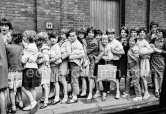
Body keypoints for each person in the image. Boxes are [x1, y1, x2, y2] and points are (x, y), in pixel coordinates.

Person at [21, 30, 40, 114]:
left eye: (24, 37)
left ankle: (32, 102)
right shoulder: (33, 45)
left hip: (29, 69)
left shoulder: (29, 47)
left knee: (23, 86)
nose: (23, 38)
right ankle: (33, 104)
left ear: (28, 38)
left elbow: (23, 60)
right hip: (34, 68)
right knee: (32, 87)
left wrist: (22, 55)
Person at [6, 33, 24, 113]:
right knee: (19, 87)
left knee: (11, 89)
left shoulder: (8, 47)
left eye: (9, 36)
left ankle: (13, 106)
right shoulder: (21, 47)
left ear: (13, 38)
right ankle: (21, 103)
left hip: (11, 71)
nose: (7, 37)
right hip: (20, 70)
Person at [66, 29, 84, 104]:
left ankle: (75, 96)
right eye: (71, 36)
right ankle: (74, 93)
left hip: (76, 64)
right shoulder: (72, 42)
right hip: (72, 64)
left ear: (76, 36)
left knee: (74, 80)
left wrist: (71, 56)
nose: (72, 37)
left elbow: (82, 54)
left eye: (73, 36)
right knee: (73, 79)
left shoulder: (78, 44)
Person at [122, 37, 142, 101]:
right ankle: (127, 93)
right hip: (129, 66)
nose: (131, 42)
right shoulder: (130, 48)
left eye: (133, 41)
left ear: (135, 42)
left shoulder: (135, 48)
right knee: (128, 80)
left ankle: (139, 96)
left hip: (135, 67)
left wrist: (130, 55)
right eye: (130, 41)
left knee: (136, 81)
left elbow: (136, 59)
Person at [106, 28, 125, 99]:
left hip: (116, 61)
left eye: (111, 34)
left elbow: (123, 52)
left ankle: (118, 92)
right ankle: (107, 89)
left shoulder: (117, 42)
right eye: (109, 34)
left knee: (117, 77)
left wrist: (115, 52)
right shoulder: (106, 41)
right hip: (108, 61)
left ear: (114, 35)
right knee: (108, 76)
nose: (110, 35)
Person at [136, 28, 153, 100]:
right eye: (140, 32)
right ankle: (142, 90)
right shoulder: (137, 41)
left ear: (145, 34)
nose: (142, 34)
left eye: (143, 33)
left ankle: (146, 92)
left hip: (144, 60)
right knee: (139, 76)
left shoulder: (145, 42)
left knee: (143, 76)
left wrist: (144, 53)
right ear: (139, 33)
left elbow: (151, 50)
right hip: (138, 60)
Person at [36, 32, 51, 109]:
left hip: (44, 67)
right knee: (43, 84)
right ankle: (43, 98)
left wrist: (39, 61)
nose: (37, 41)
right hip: (44, 67)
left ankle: (46, 101)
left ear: (42, 40)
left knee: (45, 84)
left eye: (38, 40)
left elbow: (46, 58)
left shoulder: (44, 48)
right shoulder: (44, 47)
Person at [150, 28, 166, 98]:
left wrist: (160, 51)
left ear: (163, 34)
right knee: (155, 75)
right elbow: (149, 44)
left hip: (162, 60)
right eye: (157, 32)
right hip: (154, 59)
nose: (158, 34)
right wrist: (151, 45)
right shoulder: (154, 39)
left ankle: (161, 90)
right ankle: (156, 90)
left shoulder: (165, 41)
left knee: (161, 76)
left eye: (159, 33)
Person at [0, 18, 11, 114]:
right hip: (3, 65)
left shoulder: (11, 37)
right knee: (4, 88)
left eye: (6, 25)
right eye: (2, 25)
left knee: (7, 87)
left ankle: (7, 108)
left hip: (9, 65)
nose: (4, 27)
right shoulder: (0, 37)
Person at [49, 33, 62, 105]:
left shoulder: (56, 46)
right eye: (52, 38)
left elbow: (59, 56)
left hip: (54, 66)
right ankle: (52, 94)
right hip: (52, 66)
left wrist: (50, 60)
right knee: (52, 81)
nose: (53, 39)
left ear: (57, 39)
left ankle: (57, 97)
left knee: (55, 82)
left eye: (55, 38)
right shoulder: (52, 46)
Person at [58, 28, 71, 104]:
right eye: (61, 34)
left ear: (66, 35)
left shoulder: (67, 43)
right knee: (60, 79)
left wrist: (61, 58)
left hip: (63, 62)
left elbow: (68, 52)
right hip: (59, 63)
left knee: (63, 79)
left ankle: (65, 95)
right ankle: (62, 93)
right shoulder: (61, 42)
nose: (61, 35)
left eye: (62, 34)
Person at [100, 34, 113, 101]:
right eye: (103, 40)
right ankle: (105, 89)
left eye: (106, 40)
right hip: (102, 62)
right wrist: (102, 57)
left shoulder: (109, 46)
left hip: (108, 63)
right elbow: (99, 54)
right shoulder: (101, 46)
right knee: (103, 77)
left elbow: (110, 56)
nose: (104, 41)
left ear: (108, 40)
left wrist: (107, 57)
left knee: (107, 77)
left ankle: (105, 91)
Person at [77, 28, 90, 97]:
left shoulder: (83, 41)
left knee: (83, 77)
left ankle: (84, 91)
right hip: (81, 60)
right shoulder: (79, 41)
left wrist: (84, 61)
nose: (80, 35)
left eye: (82, 34)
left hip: (84, 61)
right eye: (79, 34)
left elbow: (85, 52)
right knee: (81, 77)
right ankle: (82, 90)